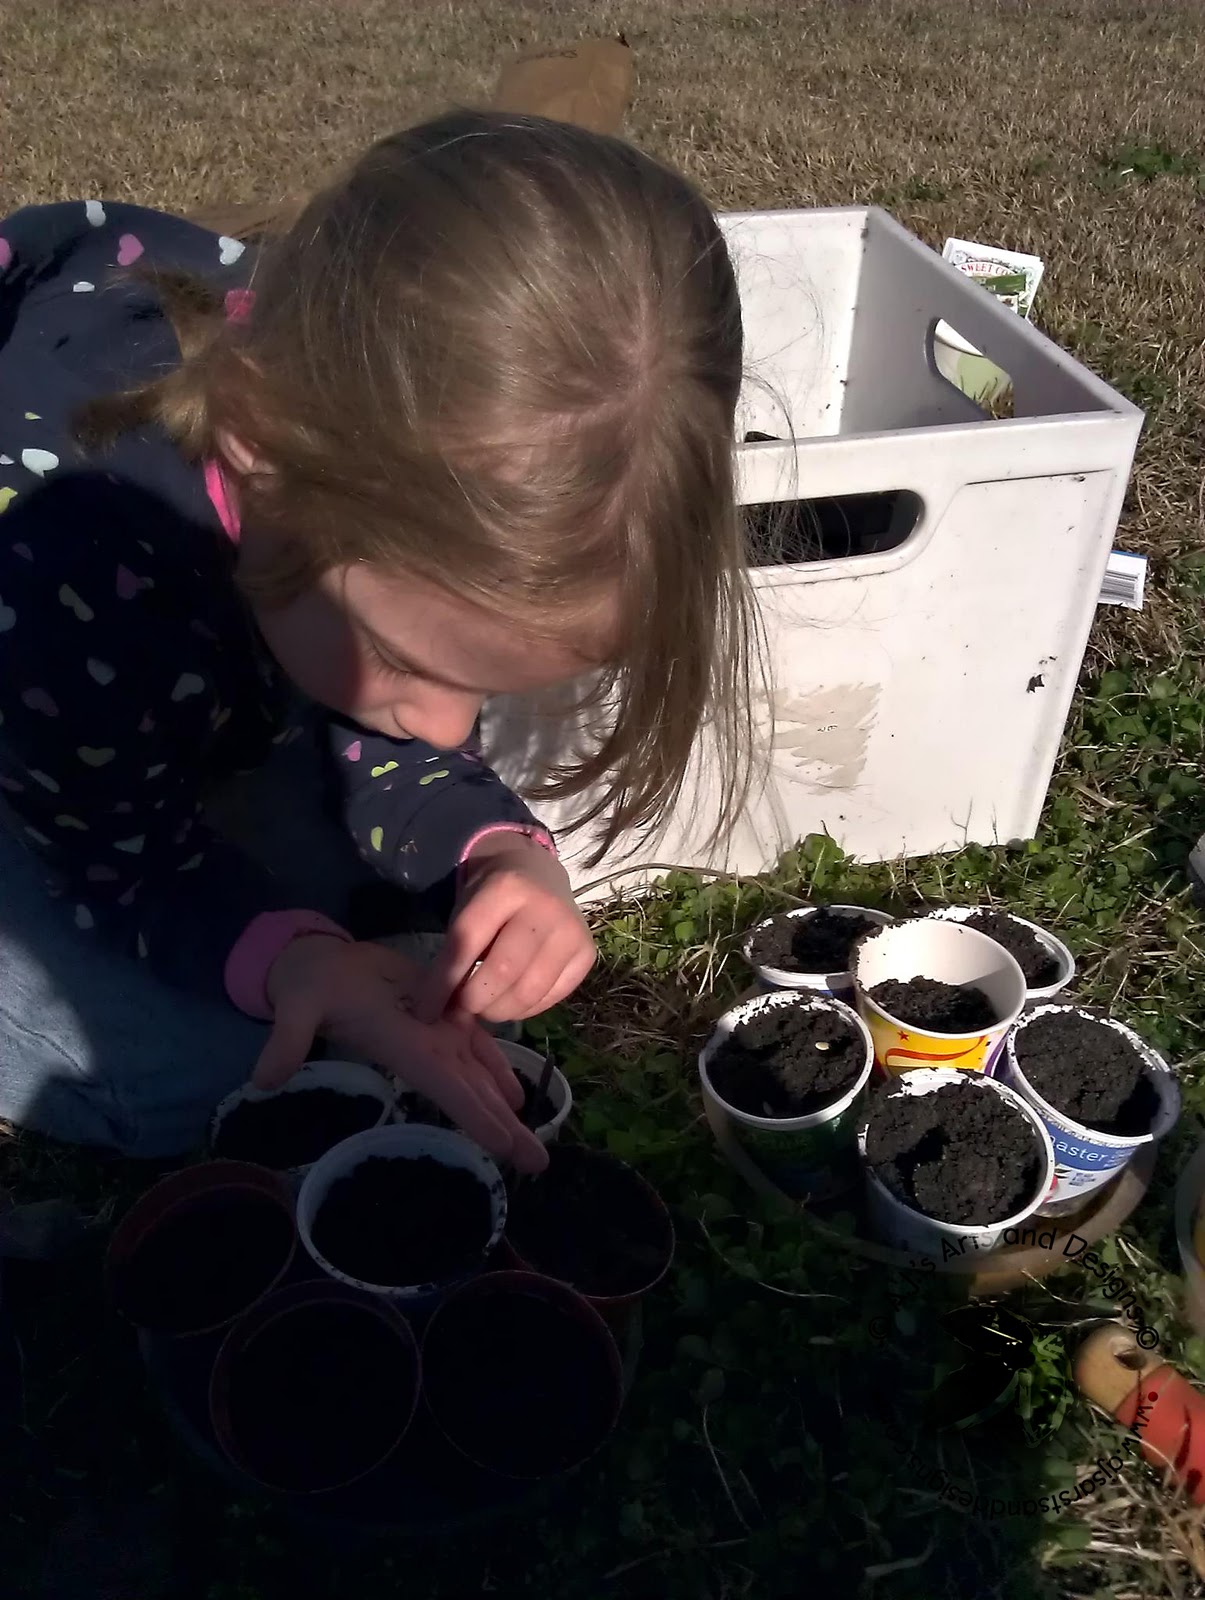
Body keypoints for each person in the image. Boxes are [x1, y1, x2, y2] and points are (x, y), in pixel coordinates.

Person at [0, 110, 755, 1165]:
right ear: (260, 450)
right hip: (40, 730)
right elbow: (112, 855)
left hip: (158, 681)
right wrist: (293, 964)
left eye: (478, 685)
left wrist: (497, 849)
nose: (448, 728)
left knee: (381, 940)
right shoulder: (70, 552)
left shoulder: (364, 424)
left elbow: (386, 739)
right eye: (404, 662)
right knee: (208, 1069)